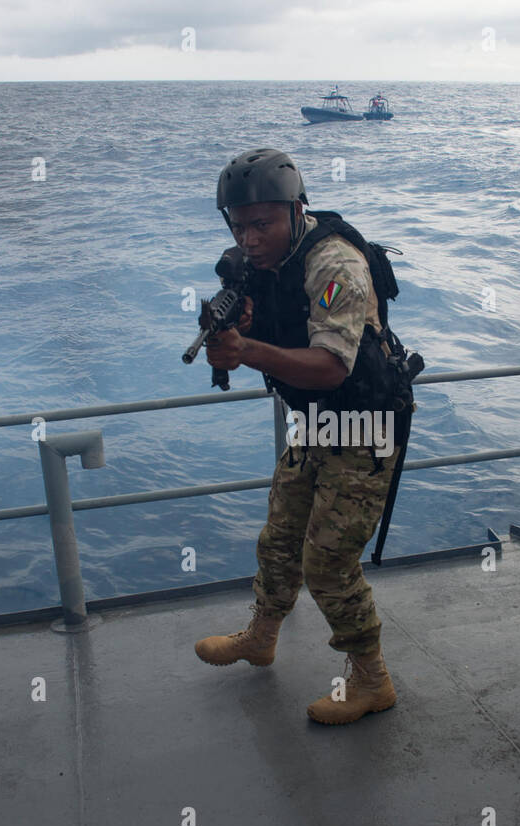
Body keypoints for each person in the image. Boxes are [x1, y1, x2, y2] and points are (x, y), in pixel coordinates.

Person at [194, 147, 417, 723]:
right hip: (317, 421)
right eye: (238, 226)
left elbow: (332, 367)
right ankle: (262, 636)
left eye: (262, 224)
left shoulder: (334, 266)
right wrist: (242, 322)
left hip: (365, 424)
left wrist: (245, 350)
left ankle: (372, 680)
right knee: (279, 538)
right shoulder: (261, 262)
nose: (249, 238)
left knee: (329, 562)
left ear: (297, 210)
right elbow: (277, 317)